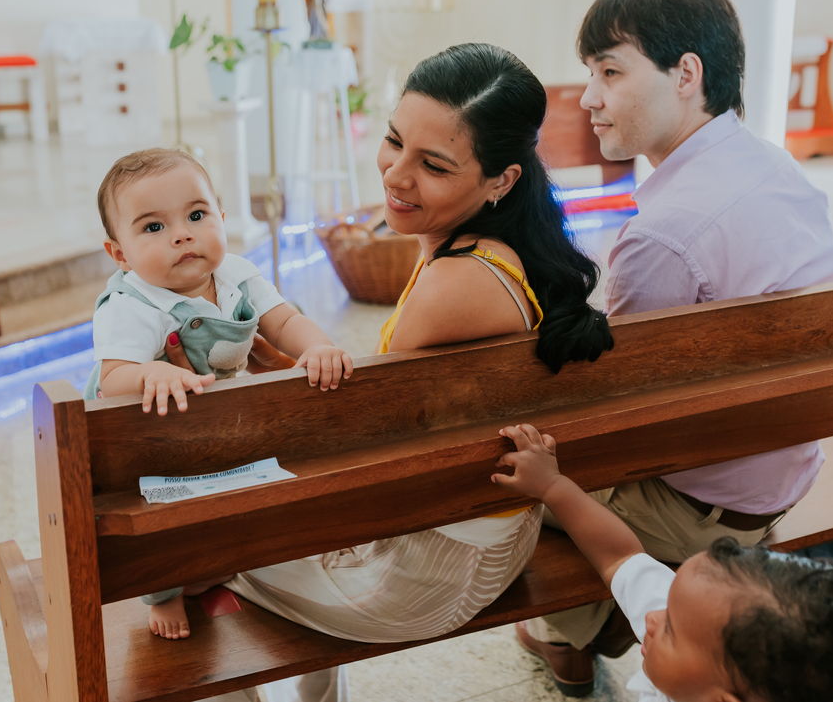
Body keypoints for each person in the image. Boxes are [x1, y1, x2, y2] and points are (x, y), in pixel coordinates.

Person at [182, 43, 613, 702]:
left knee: (187, 564)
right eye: (393, 141)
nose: (395, 174)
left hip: (422, 577)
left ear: (501, 180)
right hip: (488, 536)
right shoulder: (499, 250)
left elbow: (358, 452)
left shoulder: (453, 285)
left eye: (433, 164)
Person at [517, 0, 833, 696]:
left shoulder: (663, 233)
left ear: (686, 74)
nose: (590, 97)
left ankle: (570, 631)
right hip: (786, 467)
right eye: (589, 73)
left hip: (704, 504)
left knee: (514, 480)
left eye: (609, 71)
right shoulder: (774, 166)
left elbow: (615, 409)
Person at [84, 147, 353, 639]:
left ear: (222, 218)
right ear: (119, 253)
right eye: (152, 227)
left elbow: (284, 319)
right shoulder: (131, 304)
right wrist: (151, 374)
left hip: (210, 414)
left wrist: (317, 347)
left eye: (196, 215)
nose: (182, 233)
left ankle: (216, 565)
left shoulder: (235, 273)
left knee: (231, 492)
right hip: (145, 430)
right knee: (163, 518)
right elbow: (112, 376)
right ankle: (164, 592)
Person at [493, 422, 833, 702]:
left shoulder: (696, 623)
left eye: (672, 628)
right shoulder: (694, 626)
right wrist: (551, 486)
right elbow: (620, 555)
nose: (651, 619)